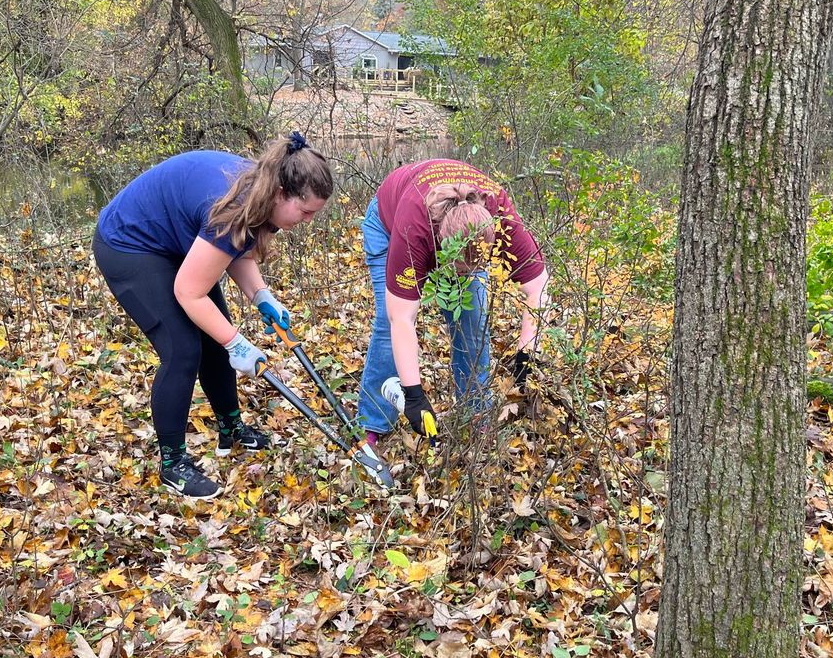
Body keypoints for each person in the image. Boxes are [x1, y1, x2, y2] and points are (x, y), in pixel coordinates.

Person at [93, 133, 332, 499]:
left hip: (173, 243)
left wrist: (260, 294)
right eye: (306, 212)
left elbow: (236, 248)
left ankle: (231, 429)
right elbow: (189, 291)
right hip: (129, 245)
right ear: (282, 193)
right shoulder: (238, 205)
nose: (309, 220)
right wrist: (237, 344)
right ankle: (173, 464)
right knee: (184, 350)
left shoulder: (260, 192)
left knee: (215, 335)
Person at [357, 159, 549, 444]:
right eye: (461, 266)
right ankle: (373, 424)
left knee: (471, 321)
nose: (467, 273)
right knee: (387, 323)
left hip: (458, 232)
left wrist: (527, 353)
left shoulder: (500, 215)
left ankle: (476, 418)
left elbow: (539, 287)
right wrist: (413, 394)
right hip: (388, 224)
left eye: (477, 263)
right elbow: (402, 318)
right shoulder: (415, 227)